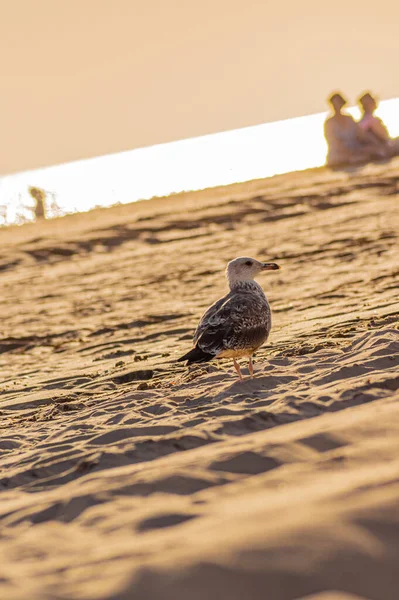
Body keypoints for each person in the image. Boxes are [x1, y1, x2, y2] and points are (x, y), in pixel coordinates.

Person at [324, 92, 387, 166]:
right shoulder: (329, 123)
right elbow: (335, 143)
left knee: (375, 150)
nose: (337, 106)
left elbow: (361, 135)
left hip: (355, 148)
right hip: (340, 153)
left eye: (338, 103)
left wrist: (373, 143)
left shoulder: (349, 118)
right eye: (334, 104)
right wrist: (354, 152)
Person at [358, 92, 399, 157]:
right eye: (372, 101)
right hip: (383, 147)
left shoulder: (364, 120)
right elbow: (384, 137)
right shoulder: (369, 120)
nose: (375, 103)